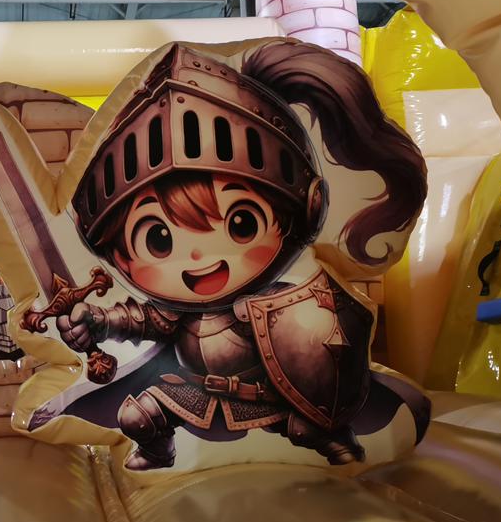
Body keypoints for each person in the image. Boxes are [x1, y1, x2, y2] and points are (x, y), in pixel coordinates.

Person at [56, 41, 427, 470]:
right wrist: (98, 320)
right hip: (197, 393)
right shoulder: (178, 309)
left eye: (241, 223)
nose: (198, 256)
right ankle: (160, 451)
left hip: (271, 398)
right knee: (136, 416)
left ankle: (334, 437)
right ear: (118, 255)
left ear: (300, 213)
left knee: (309, 429)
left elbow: (315, 344)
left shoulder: (285, 302)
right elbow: (148, 320)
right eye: (158, 239)